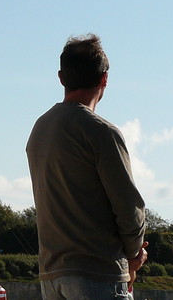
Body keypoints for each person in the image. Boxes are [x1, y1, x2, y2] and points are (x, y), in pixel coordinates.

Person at [26, 34, 148, 299]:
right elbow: (129, 208)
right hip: (98, 273)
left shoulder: (40, 129)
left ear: (61, 77)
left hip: (51, 274)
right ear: (104, 78)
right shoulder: (101, 133)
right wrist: (133, 254)